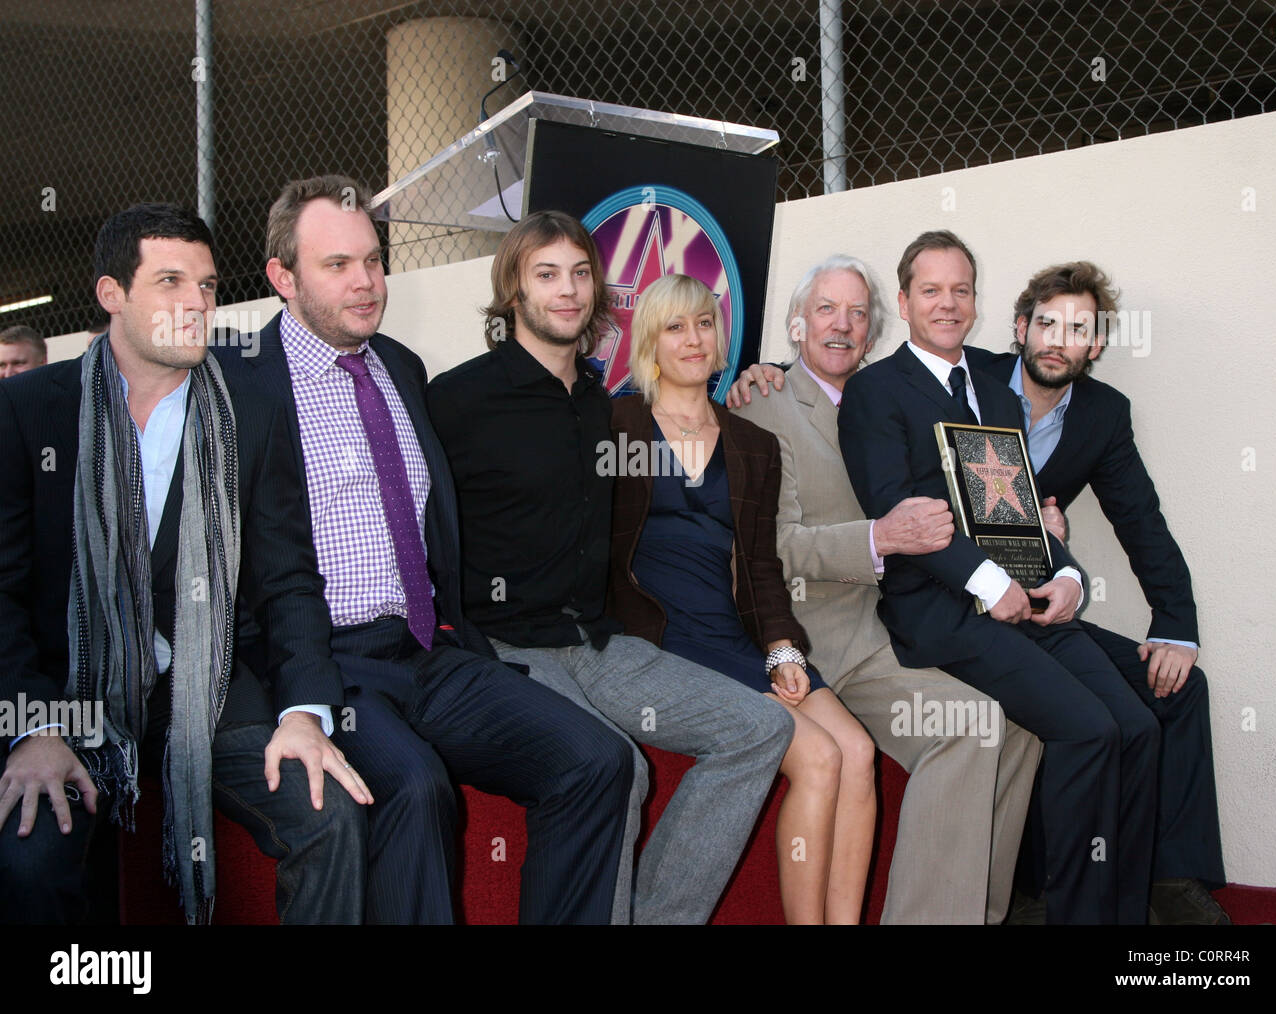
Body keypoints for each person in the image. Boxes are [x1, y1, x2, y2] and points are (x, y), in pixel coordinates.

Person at [215, 177, 632, 925]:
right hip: (325, 664)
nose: (366, 282)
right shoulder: (241, 387)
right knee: (414, 785)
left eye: (373, 261)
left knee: (597, 762)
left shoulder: (401, 368)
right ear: (283, 278)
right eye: (337, 265)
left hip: (425, 651)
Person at [0, 204, 368, 924]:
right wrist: (34, 724)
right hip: (68, 688)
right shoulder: (29, 411)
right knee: (31, 857)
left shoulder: (251, 407)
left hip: (211, 683)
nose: (197, 303)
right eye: (170, 282)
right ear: (112, 295)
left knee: (331, 819)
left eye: (205, 284)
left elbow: (289, 576)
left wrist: (304, 713)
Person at [427, 210, 793, 925]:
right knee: (613, 765)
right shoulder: (456, 398)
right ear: (513, 292)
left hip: (598, 642)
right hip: (504, 646)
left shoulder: (603, 405)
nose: (567, 290)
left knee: (760, 729)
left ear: (598, 291)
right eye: (546, 274)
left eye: (580, 273)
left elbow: (691, 412)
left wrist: (764, 371)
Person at [836, 229, 1159, 924]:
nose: (948, 304)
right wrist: (988, 582)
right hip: (942, 609)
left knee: (1135, 725)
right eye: (931, 291)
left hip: (1026, 596)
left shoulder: (995, 391)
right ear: (905, 300)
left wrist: (1068, 578)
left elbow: (1026, 512)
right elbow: (896, 512)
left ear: (976, 302)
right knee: (1085, 729)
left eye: (960, 290)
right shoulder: (876, 392)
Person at [728, 254, 1042, 924]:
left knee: (1025, 722)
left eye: (857, 312)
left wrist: (1038, 518)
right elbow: (769, 547)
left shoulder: (890, 392)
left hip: (911, 617)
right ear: (797, 324)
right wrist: (879, 539)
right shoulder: (765, 405)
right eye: (826, 309)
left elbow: (967, 457)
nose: (842, 325)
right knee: (973, 727)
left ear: (874, 330)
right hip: (828, 636)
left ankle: (977, 914)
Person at [606, 273, 875, 924]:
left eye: (703, 323)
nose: (692, 339)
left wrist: (783, 646)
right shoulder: (617, 421)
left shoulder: (752, 442)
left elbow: (759, 564)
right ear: (650, 341)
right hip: (660, 634)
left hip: (741, 632)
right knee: (816, 756)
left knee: (857, 753)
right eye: (674, 326)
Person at [964, 261, 1226, 924]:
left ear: (1096, 345)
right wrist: (776, 375)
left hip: (1045, 606)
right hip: (963, 603)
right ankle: (1044, 889)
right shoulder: (964, 376)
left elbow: (1140, 518)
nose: (1058, 338)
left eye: (1077, 328)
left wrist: (1175, 625)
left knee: (1177, 686)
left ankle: (1168, 878)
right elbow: (871, 388)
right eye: (1046, 322)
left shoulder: (1104, 414)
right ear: (1020, 328)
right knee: (1097, 716)